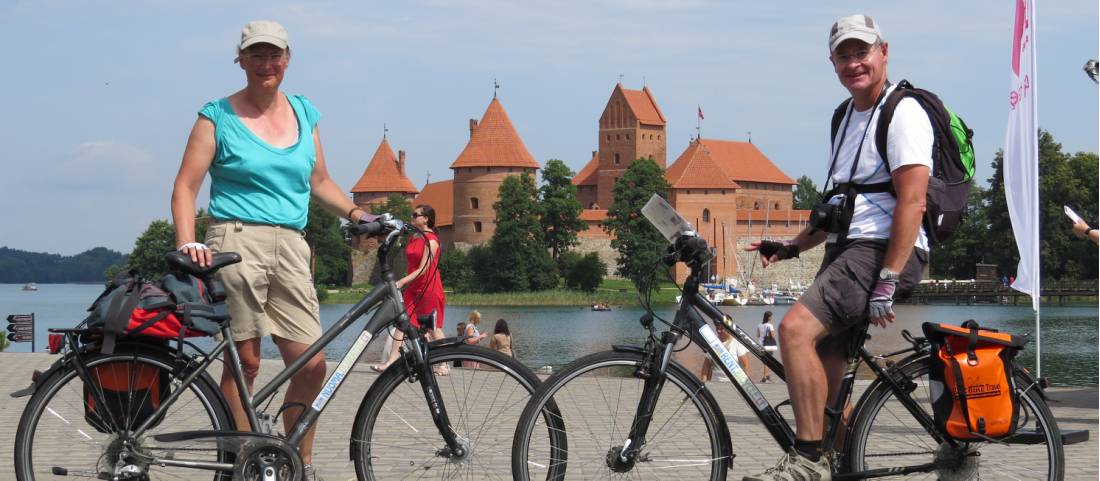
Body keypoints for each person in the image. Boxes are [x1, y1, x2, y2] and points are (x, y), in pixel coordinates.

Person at [170, 20, 370, 481]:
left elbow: (319, 182)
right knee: (247, 362)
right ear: (240, 60)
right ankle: (241, 463)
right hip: (235, 241)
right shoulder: (216, 115)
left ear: (288, 58)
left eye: (274, 54)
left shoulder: (304, 112)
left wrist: (360, 216)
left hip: (293, 246)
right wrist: (188, 240)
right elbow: (185, 185)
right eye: (256, 55)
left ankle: (296, 460)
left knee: (312, 363)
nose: (266, 63)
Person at [743, 14, 931, 480]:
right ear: (832, 63)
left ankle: (806, 461)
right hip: (847, 250)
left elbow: (913, 200)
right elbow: (838, 206)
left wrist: (888, 278)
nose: (854, 63)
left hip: (882, 251)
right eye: (844, 55)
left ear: (883, 52)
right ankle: (840, 465)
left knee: (793, 331)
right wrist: (791, 247)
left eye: (861, 52)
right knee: (829, 395)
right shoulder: (844, 117)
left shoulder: (902, 111)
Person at [372, 205, 446, 373]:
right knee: (402, 323)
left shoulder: (432, 241)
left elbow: (423, 269)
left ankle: (444, 364)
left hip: (428, 287)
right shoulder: (414, 237)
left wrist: (401, 282)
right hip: (413, 287)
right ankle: (390, 362)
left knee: (432, 328)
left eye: (416, 215)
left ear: (426, 219)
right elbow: (412, 265)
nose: (412, 218)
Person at [757, 311, 778, 383]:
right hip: (768, 345)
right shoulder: (770, 325)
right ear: (768, 317)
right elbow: (772, 335)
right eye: (771, 316)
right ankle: (764, 377)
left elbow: (757, 335)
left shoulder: (759, 324)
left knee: (765, 360)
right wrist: (774, 333)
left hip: (760, 344)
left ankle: (768, 376)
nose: (771, 318)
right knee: (767, 362)